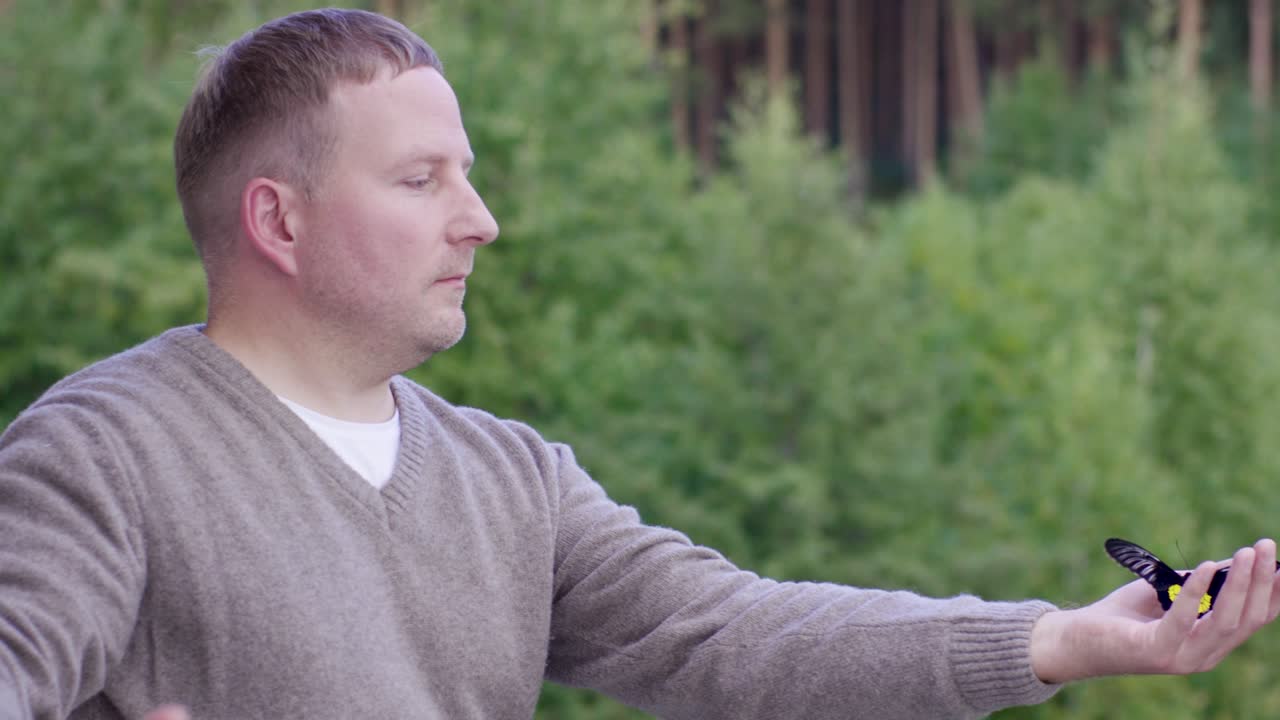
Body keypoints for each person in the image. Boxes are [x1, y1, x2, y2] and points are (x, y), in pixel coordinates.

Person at [0, 8, 1277, 720]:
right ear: (276, 221)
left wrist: (1058, 641)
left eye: (470, 173)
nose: (479, 219)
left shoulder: (508, 478)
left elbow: (739, 635)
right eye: (419, 179)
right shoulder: (99, 455)